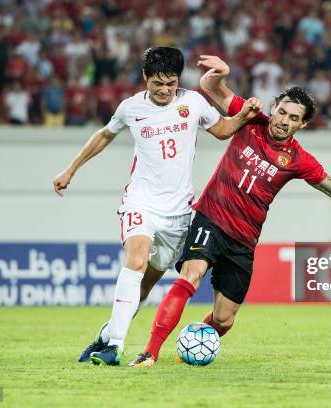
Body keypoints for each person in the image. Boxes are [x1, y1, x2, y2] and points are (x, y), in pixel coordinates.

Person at [129, 55, 331, 367]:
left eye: (293, 117)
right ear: (274, 108)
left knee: (225, 318)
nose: (283, 120)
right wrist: (220, 73)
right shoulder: (250, 118)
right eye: (282, 111)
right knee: (192, 274)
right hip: (211, 216)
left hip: (243, 241)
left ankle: (194, 341)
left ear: (303, 124)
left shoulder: (300, 160)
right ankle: (150, 352)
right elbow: (210, 87)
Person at [52, 47, 262, 366]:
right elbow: (104, 135)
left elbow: (221, 131)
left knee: (145, 285)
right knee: (135, 261)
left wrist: (243, 117)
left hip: (178, 214)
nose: (165, 90)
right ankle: (116, 348)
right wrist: (70, 169)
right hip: (141, 201)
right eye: (158, 83)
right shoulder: (131, 107)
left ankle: (107, 334)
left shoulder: (192, 102)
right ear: (145, 78)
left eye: (171, 83)